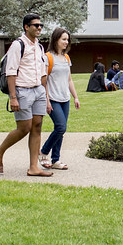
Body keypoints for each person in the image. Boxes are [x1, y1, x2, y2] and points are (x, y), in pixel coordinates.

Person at [0, 13, 53, 177]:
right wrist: (13, 97)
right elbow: (11, 72)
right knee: (24, 127)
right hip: (22, 90)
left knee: (37, 126)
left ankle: (33, 167)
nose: (39, 28)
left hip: (38, 90)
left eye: (41, 25)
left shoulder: (39, 47)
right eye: (36, 25)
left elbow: (43, 73)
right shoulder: (18, 45)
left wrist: (46, 97)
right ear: (26, 27)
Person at [39, 27, 80, 171]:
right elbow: (43, 81)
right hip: (53, 98)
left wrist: (75, 97)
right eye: (63, 39)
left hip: (65, 98)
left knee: (60, 130)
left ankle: (55, 160)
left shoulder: (66, 58)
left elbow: (69, 80)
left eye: (67, 39)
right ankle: (43, 152)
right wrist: (47, 101)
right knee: (61, 127)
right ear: (56, 39)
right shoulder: (47, 57)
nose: (66, 42)